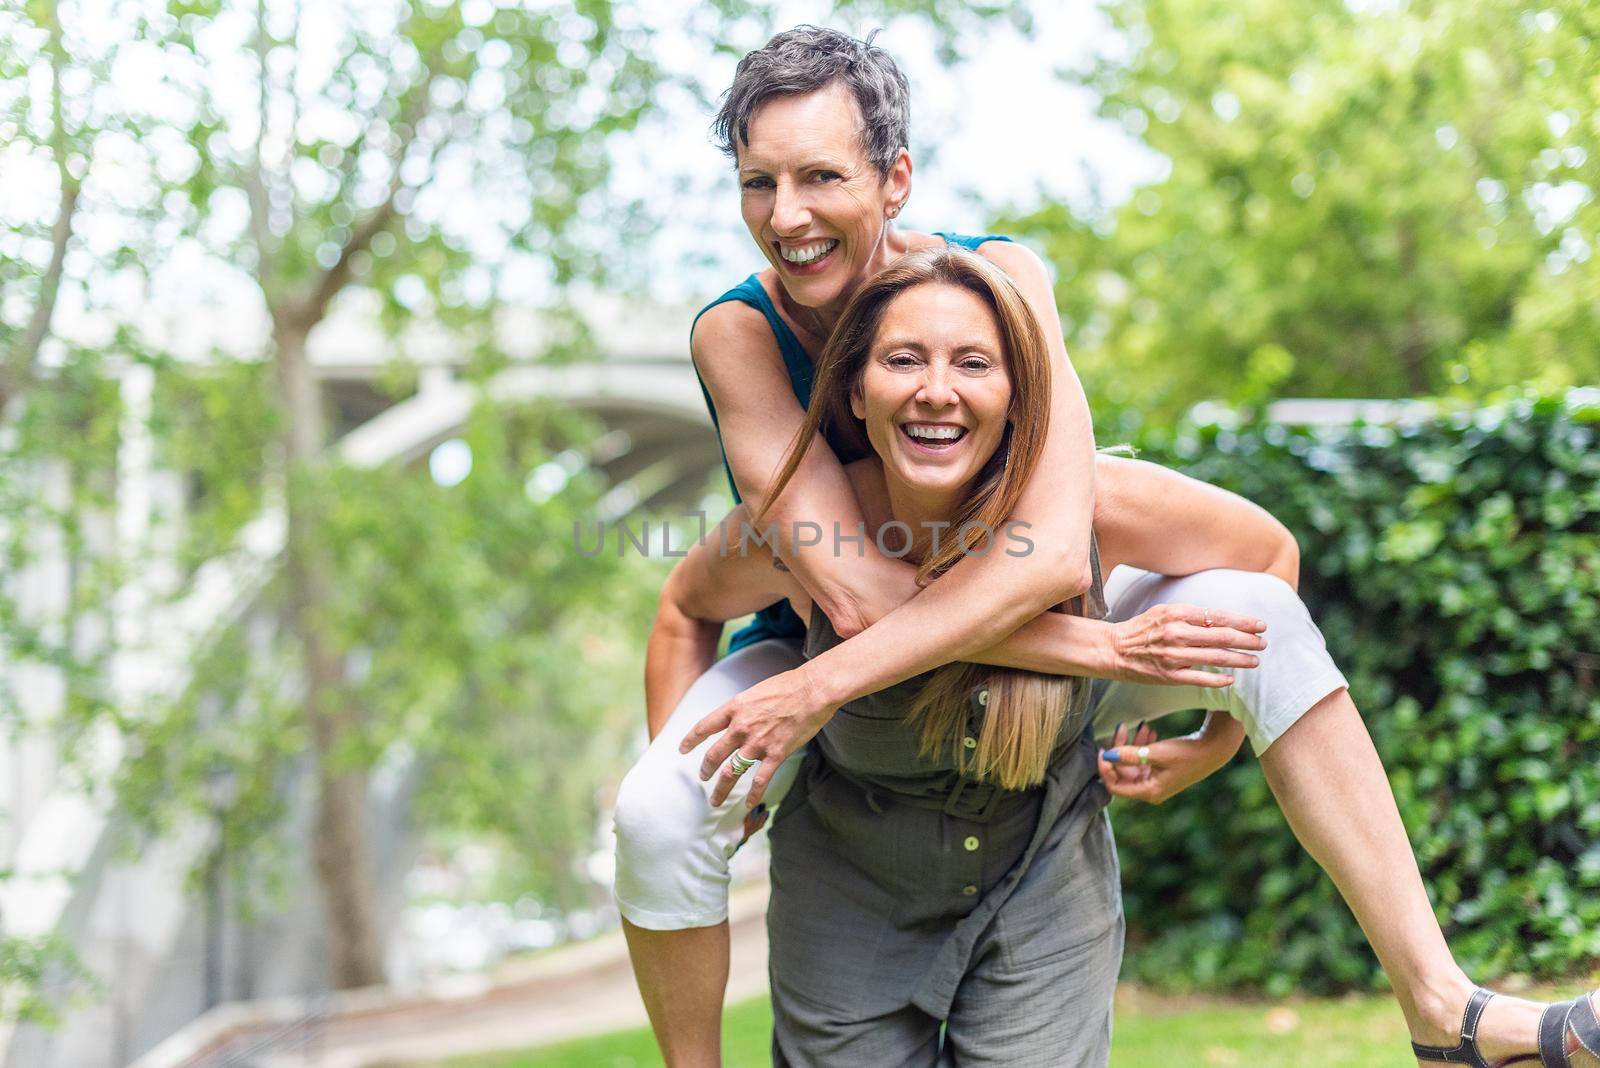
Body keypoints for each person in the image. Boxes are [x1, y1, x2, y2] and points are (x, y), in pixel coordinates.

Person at [615, 26, 1600, 1068]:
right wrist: (1110, 656)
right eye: (759, 182)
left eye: (819, 176)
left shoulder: (1002, 282)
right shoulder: (739, 331)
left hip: (1021, 610)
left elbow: (1047, 560)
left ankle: (1445, 1009)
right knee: (656, 813)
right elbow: (854, 598)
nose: (788, 215)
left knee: (1258, 616)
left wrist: (1211, 731)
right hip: (815, 638)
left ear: (895, 178)